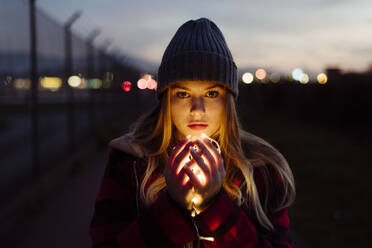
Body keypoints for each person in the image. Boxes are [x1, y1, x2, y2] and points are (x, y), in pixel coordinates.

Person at [89, 17, 296, 248]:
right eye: (183, 94)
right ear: (166, 100)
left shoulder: (262, 169)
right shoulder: (131, 162)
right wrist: (173, 207)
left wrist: (215, 206)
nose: (197, 110)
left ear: (228, 101)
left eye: (211, 94)